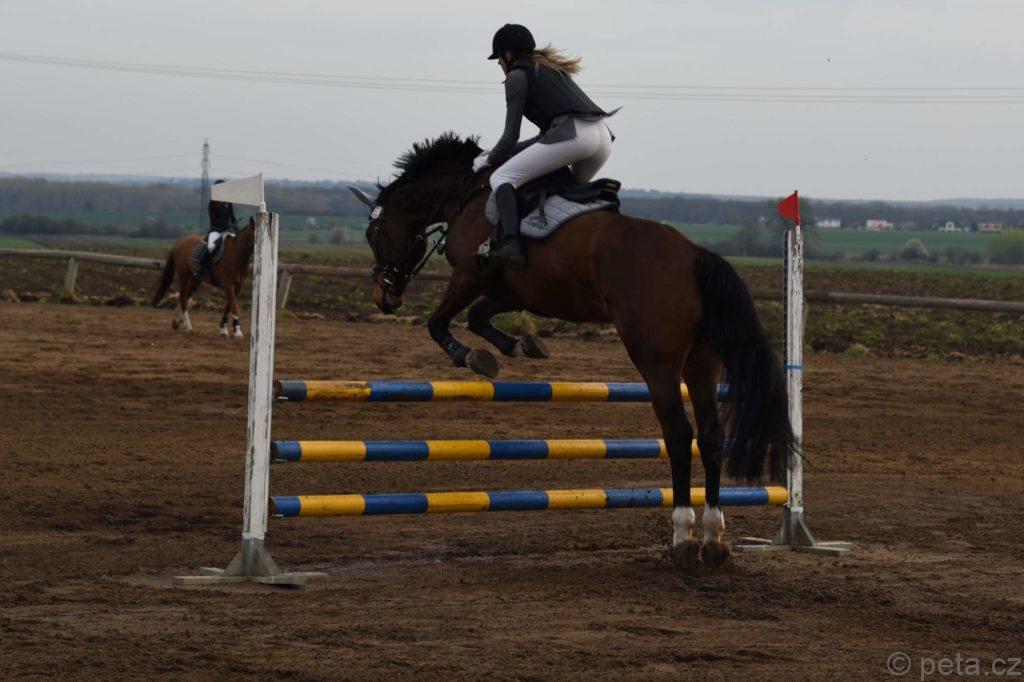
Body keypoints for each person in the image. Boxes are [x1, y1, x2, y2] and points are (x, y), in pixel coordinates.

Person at [474, 24, 615, 266]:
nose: (498, 63)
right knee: (569, 193)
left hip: (574, 136)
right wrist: (499, 153)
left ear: (508, 55)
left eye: (498, 58)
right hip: (600, 136)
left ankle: (512, 244)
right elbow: (543, 139)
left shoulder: (517, 76)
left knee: (501, 178)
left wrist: (489, 159)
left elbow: (510, 137)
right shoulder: (550, 69)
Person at [195, 179, 238, 276]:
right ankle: (201, 267)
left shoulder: (228, 202)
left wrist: (235, 227)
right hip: (216, 230)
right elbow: (213, 218)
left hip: (228, 231)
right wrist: (224, 225)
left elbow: (232, 217)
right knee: (211, 247)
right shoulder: (213, 202)